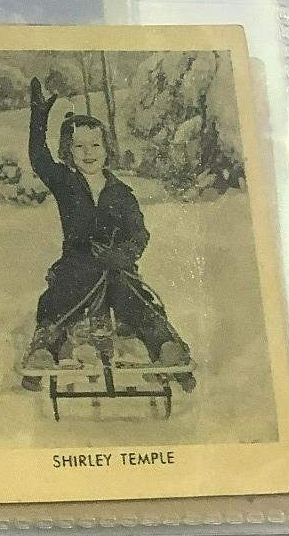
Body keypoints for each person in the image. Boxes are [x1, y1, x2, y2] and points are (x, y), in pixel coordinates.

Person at [20, 77, 191, 384]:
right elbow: (39, 159)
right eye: (79, 146)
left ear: (107, 148)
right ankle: (44, 349)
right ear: (68, 151)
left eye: (95, 145)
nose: (88, 153)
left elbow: (139, 233)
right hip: (77, 266)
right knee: (59, 299)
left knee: (136, 300)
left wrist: (124, 254)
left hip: (116, 268)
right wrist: (38, 119)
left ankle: (166, 348)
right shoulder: (66, 183)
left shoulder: (121, 193)